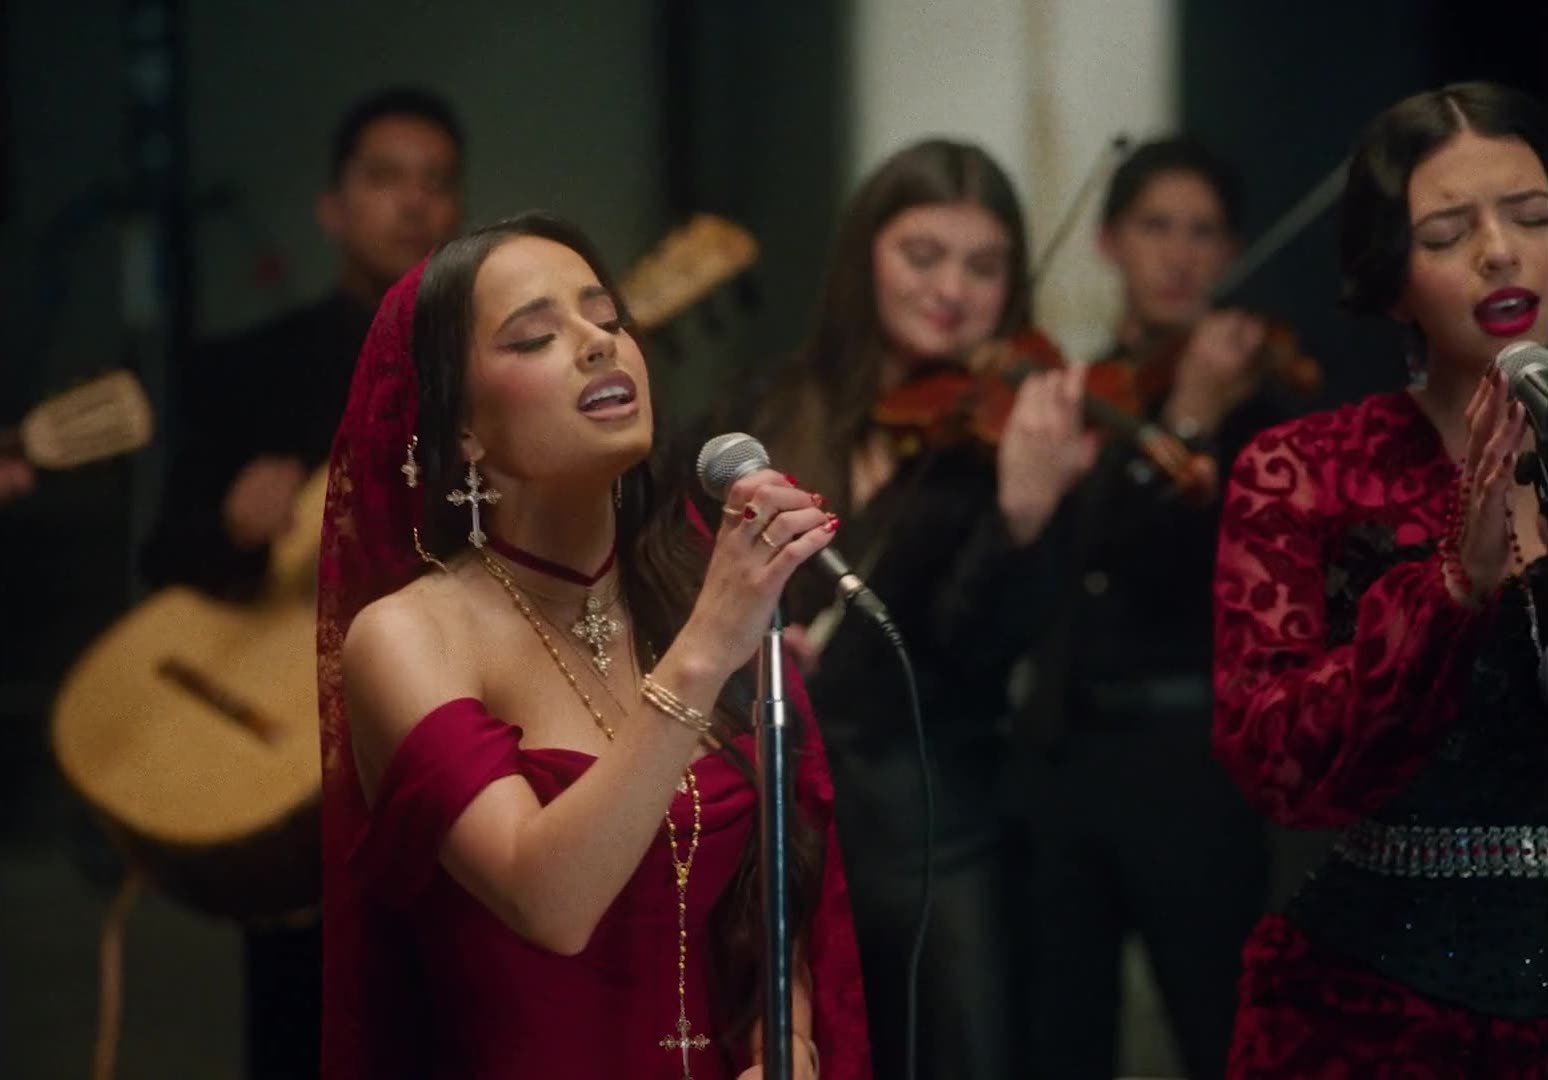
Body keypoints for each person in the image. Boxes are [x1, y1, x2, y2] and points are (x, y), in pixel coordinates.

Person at [317, 211, 871, 1079]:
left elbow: (778, 879)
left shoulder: (684, 587)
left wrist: (786, 1037)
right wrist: (708, 645)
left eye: (607, 320)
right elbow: (549, 897)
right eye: (535, 336)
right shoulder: (408, 636)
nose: (596, 344)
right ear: (463, 428)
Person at [1213, 81, 1548, 1075]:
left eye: (1533, 217)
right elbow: (1270, 760)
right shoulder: (1306, 469)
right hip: (1372, 1006)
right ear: (1393, 279)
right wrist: (1447, 591)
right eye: (1450, 231)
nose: (1500, 249)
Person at [138, 87, 464, 1079]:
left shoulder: (485, 375)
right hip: (296, 763)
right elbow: (164, 556)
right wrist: (237, 526)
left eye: (436, 183)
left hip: (449, 747)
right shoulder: (249, 370)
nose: (411, 203)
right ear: (332, 207)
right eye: (383, 177)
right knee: (303, 1026)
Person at [740, 138, 1068, 1079]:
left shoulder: (1012, 439)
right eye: (923, 256)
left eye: (984, 265)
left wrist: (1023, 520)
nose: (952, 289)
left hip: (936, 828)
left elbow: (978, 651)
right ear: (865, 259)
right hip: (775, 820)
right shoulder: (775, 401)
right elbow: (680, 578)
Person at [1005, 138, 1277, 1079]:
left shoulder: (1263, 411)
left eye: (1204, 234)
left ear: (1233, 251)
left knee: (1220, 1036)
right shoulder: (1079, 396)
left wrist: (1196, 419)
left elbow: (1176, 565)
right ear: (1110, 240)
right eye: (1157, 227)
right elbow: (1067, 567)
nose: (1180, 255)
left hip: (1196, 763)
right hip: (1065, 755)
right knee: (1061, 1043)